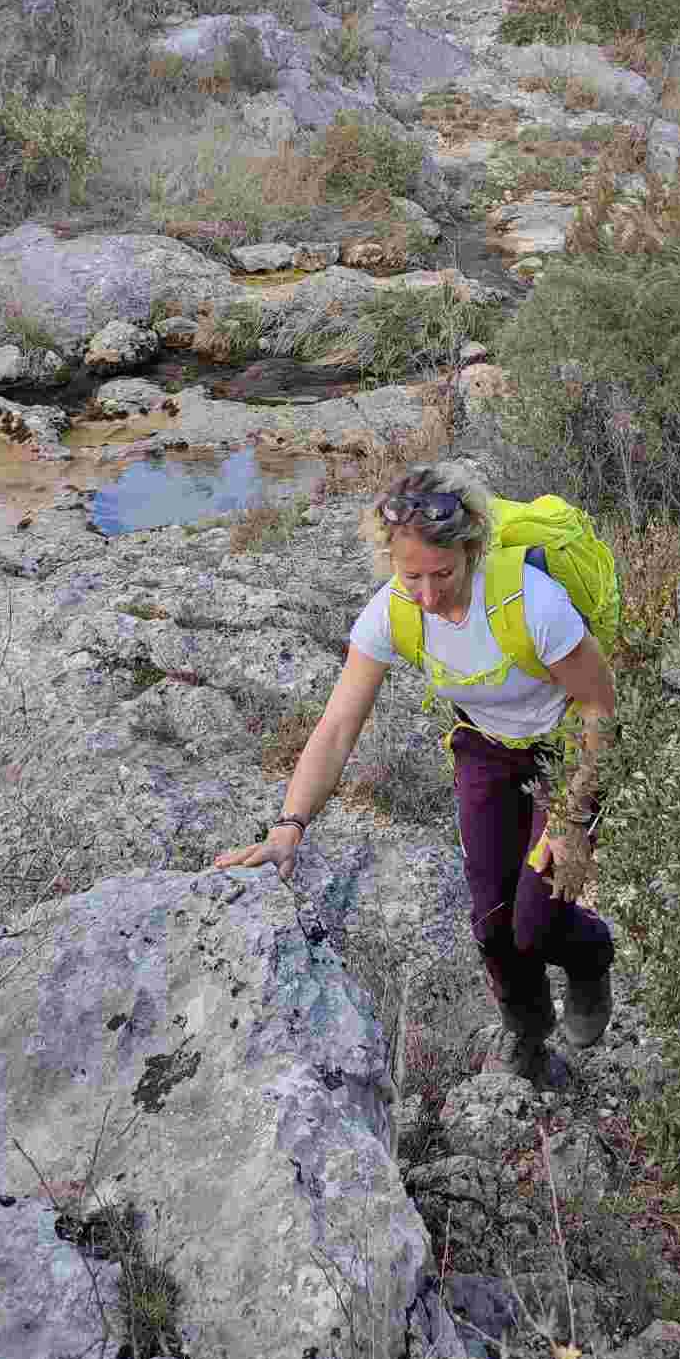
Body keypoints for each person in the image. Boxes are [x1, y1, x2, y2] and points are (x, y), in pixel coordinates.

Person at [214, 461, 617, 1078]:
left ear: (472, 550)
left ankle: (590, 959)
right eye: (411, 576)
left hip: (565, 752)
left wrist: (569, 820)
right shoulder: (390, 612)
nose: (429, 595)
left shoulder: (532, 600)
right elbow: (338, 726)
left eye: (444, 573)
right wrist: (288, 824)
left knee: (536, 921)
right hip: (487, 749)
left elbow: (599, 707)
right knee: (491, 922)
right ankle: (528, 1035)